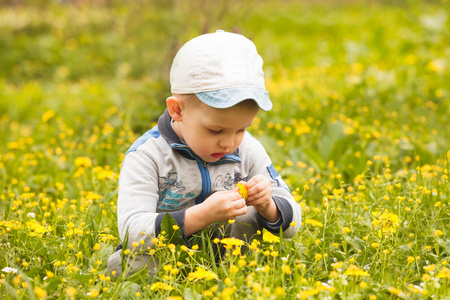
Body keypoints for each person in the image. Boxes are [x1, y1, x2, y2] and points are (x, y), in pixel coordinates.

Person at [107, 30, 302, 277]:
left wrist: (268, 206)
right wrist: (201, 215)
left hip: (230, 258)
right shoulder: (147, 156)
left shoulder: (248, 149)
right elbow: (131, 230)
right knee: (123, 266)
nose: (229, 143)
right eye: (215, 130)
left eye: (242, 129)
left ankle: (234, 277)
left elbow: (293, 223)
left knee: (250, 218)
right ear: (177, 110)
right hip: (169, 256)